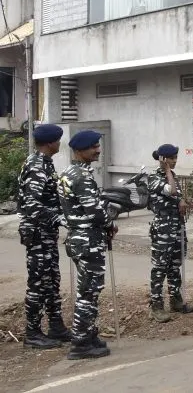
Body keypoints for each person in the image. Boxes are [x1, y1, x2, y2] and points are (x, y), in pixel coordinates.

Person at [58, 130, 116, 359]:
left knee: (89, 289)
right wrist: (109, 223)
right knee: (89, 292)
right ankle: (81, 343)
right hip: (87, 239)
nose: (98, 150)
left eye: (98, 145)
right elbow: (95, 212)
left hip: (79, 238)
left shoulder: (70, 173)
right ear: (80, 150)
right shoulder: (80, 176)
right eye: (93, 146)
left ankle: (89, 335)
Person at [18, 124, 68, 350]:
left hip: (46, 233)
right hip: (38, 233)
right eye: (58, 140)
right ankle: (33, 333)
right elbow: (33, 206)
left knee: (51, 281)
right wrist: (62, 219)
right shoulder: (37, 165)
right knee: (38, 283)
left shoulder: (45, 163)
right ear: (49, 143)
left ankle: (56, 326)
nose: (60, 143)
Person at [147, 144, 193, 324]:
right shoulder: (153, 177)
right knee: (160, 268)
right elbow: (172, 190)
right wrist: (167, 170)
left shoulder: (172, 176)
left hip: (176, 226)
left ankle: (176, 301)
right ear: (162, 159)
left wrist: (182, 200)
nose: (174, 161)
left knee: (175, 266)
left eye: (176, 158)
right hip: (163, 228)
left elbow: (177, 195)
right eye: (171, 158)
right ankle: (156, 306)